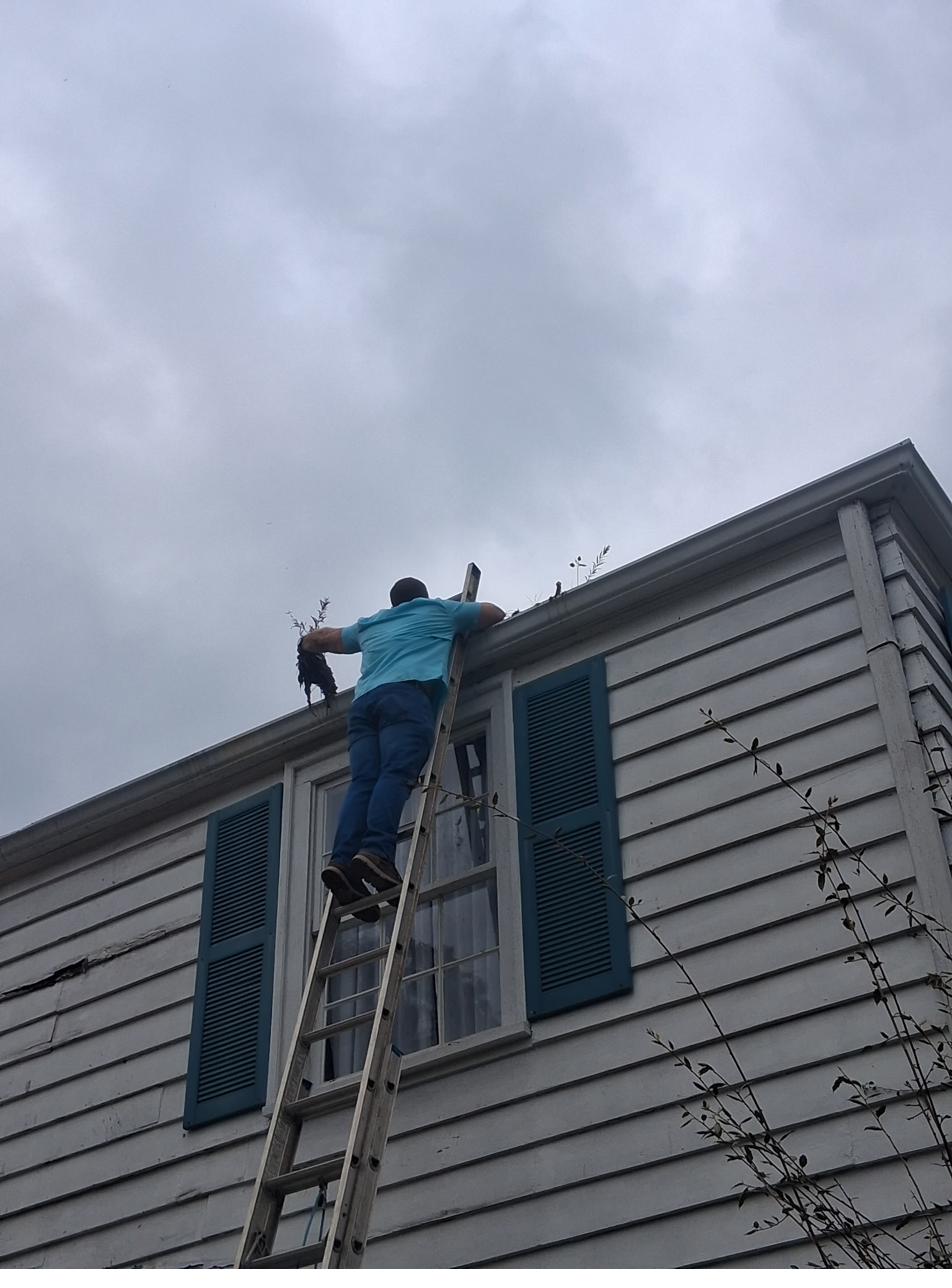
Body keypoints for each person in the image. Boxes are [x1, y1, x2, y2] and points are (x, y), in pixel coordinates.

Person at [300, 576, 505, 922]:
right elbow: (492, 613)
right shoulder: (438, 610)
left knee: (364, 781)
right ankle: (376, 852)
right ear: (420, 597)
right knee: (396, 772)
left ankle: (342, 861)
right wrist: (456, 623)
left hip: (364, 707)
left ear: (393, 603)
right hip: (405, 698)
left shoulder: (371, 625)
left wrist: (306, 644)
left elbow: (323, 639)